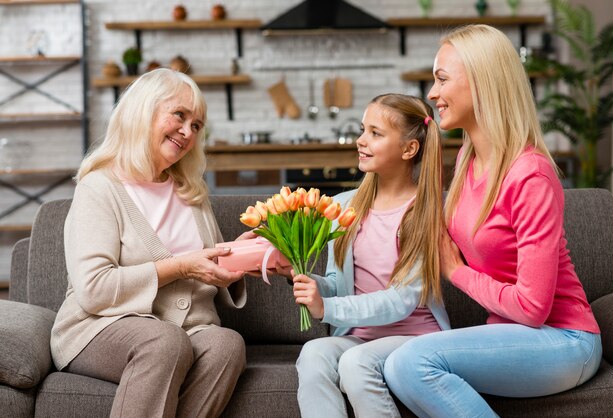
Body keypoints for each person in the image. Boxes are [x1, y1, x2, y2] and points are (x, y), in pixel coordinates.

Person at [384, 24, 602, 418]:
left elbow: (534, 308)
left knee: (411, 362)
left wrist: (455, 271)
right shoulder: (469, 160)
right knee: (397, 367)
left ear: (482, 83)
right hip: (512, 334)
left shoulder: (530, 174)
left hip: (564, 339)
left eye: (441, 79)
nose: (432, 93)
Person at [50, 68, 254, 418]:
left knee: (226, 343)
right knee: (163, 342)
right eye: (179, 115)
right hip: (100, 326)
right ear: (143, 110)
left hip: (190, 328)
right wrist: (180, 266)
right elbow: (94, 290)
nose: (188, 132)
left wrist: (244, 257)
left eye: (197, 126)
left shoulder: (192, 191)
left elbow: (211, 266)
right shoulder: (100, 188)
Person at [292, 93, 451, 418]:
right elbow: (339, 284)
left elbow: (402, 300)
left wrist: (328, 308)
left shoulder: (426, 211)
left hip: (415, 338)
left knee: (354, 363)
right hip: (359, 337)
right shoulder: (346, 206)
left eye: (375, 134)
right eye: (363, 130)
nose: (361, 141)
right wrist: (306, 281)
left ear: (409, 149)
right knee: (313, 353)